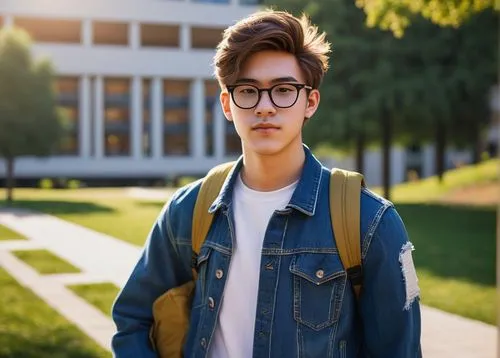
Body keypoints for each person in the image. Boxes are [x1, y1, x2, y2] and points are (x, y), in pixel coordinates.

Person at [111, 9, 422, 358]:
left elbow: (399, 350)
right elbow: (132, 320)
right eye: (248, 91)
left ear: (310, 102)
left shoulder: (370, 222)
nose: (265, 107)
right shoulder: (187, 211)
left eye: (284, 90)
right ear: (228, 104)